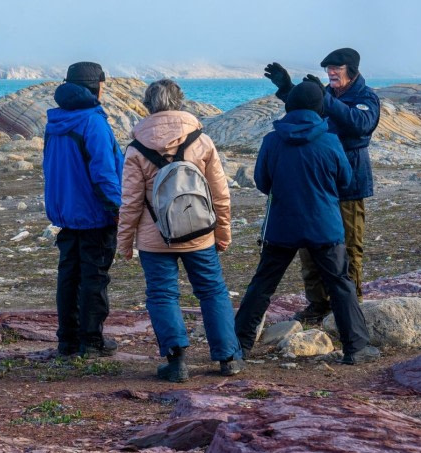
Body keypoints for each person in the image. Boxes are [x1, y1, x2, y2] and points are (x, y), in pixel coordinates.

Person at [234, 80, 380, 365]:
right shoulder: (329, 140)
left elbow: (262, 182)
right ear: (319, 108)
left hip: (281, 225)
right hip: (323, 225)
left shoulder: (271, 140)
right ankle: (356, 347)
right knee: (340, 284)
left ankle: (237, 346)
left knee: (263, 284)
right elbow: (345, 181)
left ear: (289, 107)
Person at [117, 79, 242, 382]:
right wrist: (223, 232)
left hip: (154, 237)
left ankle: (177, 363)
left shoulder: (136, 148)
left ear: (147, 105)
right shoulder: (201, 140)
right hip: (199, 232)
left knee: (162, 295)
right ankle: (228, 358)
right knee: (212, 291)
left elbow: (131, 202)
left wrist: (124, 243)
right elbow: (220, 194)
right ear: (180, 102)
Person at [264, 47, 380, 323]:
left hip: (349, 182)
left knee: (349, 246)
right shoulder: (328, 94)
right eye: (328, 70)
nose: (330, 73)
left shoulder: (366, 98)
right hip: (317, 182)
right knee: (310, 245)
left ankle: (351, 307)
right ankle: (318, 305)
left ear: (351, 70)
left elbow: (360, 124)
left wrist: (325, 98)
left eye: (336, 69)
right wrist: (288, 88)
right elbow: (305, 111)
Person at [43, 62, 123, 357]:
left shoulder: (55, 121)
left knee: (69, 275)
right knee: (94, 277)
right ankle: (91, 341)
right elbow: (104, 174)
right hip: (95, 214)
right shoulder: (93, 122)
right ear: (97, 86)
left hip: (66, 213)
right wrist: (118, 210)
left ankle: (67, 340)